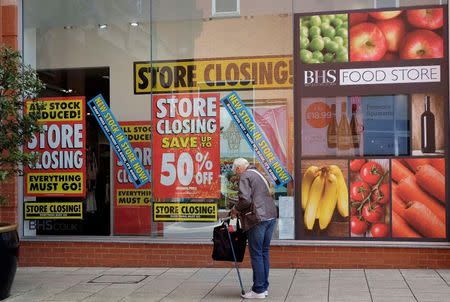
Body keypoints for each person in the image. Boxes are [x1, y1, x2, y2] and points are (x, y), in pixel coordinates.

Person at [230, 158, 277, 299]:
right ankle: (263, 287)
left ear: (239, 168)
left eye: (236, 172)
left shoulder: (245, 175)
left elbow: (245, 200)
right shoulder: (259, 174)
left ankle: (258, 290)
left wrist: (235, 209)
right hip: (270, 216)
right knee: (264, 252)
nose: (238, 175)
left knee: (256, 254)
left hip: (257, 219)